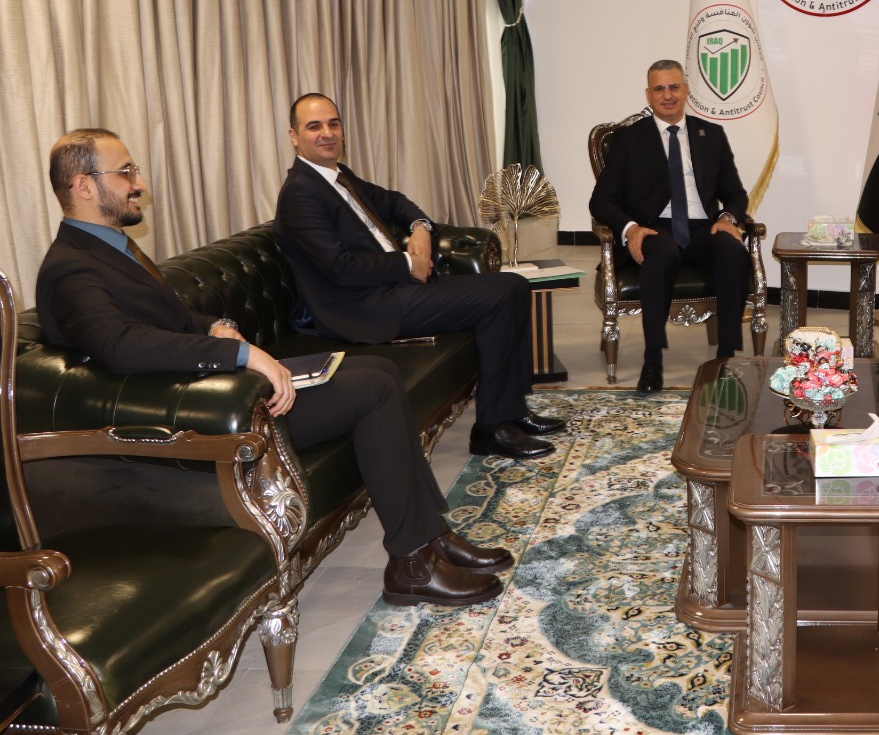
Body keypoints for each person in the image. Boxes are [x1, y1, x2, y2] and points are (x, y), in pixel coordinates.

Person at [36, 129, 510, 607]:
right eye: (126, 172)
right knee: (374, 388)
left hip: (216, 394)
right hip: (199, 422)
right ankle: (412, 563)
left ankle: (431, 538)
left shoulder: (110, 248)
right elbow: (120, 345)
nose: (139, 183)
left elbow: (167, 319)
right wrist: (242, 356)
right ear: (84, 185)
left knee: (380, 372)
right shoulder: (69, 268)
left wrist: (215, 325)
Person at [274, 94, 563, 459]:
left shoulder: (337, 177)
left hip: (389, 288)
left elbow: (393, 200)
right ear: (294, 136)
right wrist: (406, 264)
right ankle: (492, 429)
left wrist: (420, 226)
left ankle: (512, 409)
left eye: (334, 123)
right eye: (314, 126)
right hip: (362, 306)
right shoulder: (301, 193)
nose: (327, 133)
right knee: (498, 297)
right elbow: (340, 268)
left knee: (516, 286)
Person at [589, 60, 751, 393]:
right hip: (654, 227)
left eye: (674, 87)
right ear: (648, 94)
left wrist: (728, 219)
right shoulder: (629, 139)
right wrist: (630, 228)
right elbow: (601, 200)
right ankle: (653, 360)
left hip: (703, 227)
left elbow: (736, 194)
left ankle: (725, 355)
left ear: (686, 90)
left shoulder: (711, 135)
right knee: (661, 254)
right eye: (659, 88)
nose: (668, 95)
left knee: (733, 251)